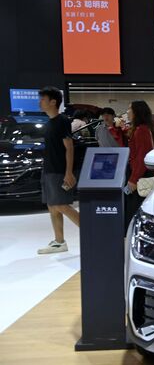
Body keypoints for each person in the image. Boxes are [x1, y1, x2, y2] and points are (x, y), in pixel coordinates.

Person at [37, 86, 80, 254]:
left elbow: (69, 148)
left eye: (43, 99)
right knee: (52, 206)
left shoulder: (62, 121)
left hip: (58, 171)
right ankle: (59, 241)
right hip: (48, 170)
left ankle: (91, 234)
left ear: (53, 102)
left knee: (61, 205)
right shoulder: (49, 123)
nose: (39, 103)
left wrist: (68, 173)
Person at [125, 100, 154, 225]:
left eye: (129, 109)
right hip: (140, 174)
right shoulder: (141, 129)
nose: (127, 111)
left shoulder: (141, 130)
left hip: (140, 176)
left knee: (134, 209)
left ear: (136, 112)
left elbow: (141, 157)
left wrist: (133, 179)